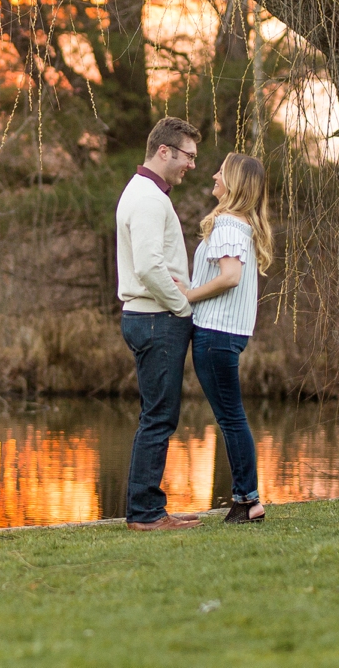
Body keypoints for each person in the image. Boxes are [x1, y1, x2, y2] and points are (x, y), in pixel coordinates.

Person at [116, 116, 203, 531]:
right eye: (188, 155)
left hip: (147, 317)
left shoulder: (143, 193)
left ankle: (148, 508)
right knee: (158, 418)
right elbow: (150, 267)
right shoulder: (149, 198)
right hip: (157, 319)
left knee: (156, 415)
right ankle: (146, 513)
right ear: (164, 151)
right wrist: (182, 308)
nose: (192, 164)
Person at [178, 151, 273, 524]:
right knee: (231, 417)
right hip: (224, 334)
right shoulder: (240, 225)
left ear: (233, 183)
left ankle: (248, 500)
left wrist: (188, 295)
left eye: (221, 171)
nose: (214, 175)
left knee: (231, 419)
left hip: (216, 334)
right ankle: (244, 499)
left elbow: (230, 276)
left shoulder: (229, 225)